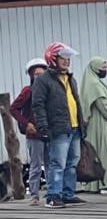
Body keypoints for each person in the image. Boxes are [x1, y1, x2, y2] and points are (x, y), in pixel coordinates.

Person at [32, 42, 86, 209]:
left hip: (74, 127)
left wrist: (82, 124)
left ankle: (68, 194)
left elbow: (76, 102)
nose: (67, 61)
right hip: (58, 128)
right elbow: (38, 105)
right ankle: (53, 195)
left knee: (72, 162)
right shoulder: (43, 80)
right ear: (53, 58)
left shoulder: (71, 79)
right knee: (58, 163)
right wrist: (43, 126)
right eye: (63, 58)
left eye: (68, 58)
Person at [78, 57, 107, 194]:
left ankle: (94, 184)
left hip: (93, 123)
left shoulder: (89, 82)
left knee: (95, 151)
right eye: (102, 67)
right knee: (105, 151)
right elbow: (102, 104)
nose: (105, 70)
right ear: (95, 68)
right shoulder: (95, 85)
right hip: (100, 122)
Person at [11, 58, 48, 205]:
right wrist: (26, 124)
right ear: (31, 75)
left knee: (51, 164)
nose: (39, 76)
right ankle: (34, 195)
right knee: (36, 165)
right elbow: (13, 108)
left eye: (42, 73)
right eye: (36, 74)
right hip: (34, 134)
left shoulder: (49, 90)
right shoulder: (28, 91)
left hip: (48, 132)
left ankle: (51, 192)